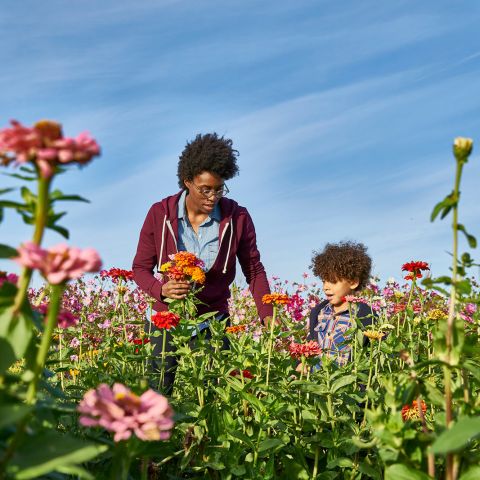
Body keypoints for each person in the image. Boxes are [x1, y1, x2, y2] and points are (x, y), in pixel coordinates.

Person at [132, 132, 273, 390]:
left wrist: (267, 313)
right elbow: (140, 268)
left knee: (217, 392)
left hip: (213, 319)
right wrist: (160, 290)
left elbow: (253, 270)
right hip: (167, 317)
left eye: (219, 189)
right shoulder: (159, 214)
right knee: (159, 390)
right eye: (205, 189)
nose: (213, 196)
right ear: (188, 182)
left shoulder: (237, 218)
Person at [307, 241, 375, 365]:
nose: (325, 287)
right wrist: (301, 364)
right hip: (317, 382)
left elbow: (372, 357)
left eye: (332, 281)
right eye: (324, 281)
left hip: (347, 382)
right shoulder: (318, 313)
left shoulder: (366, 317)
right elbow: (310, 343)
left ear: (353, 282)